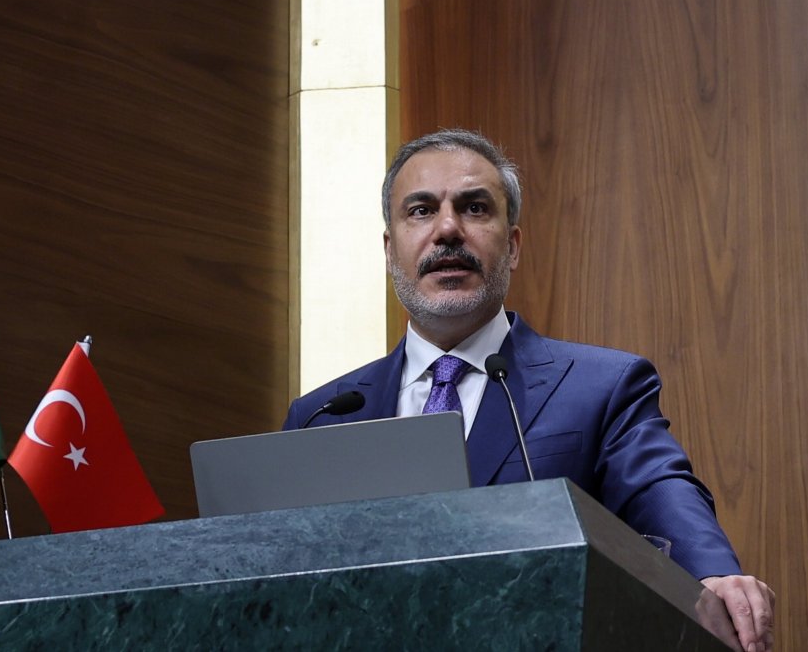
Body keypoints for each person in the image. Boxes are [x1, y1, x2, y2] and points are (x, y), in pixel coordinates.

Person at [286, 128, 775, 651]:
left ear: (513, 245)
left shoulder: (601, 388)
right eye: (421, 210)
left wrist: (713, 573)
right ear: (390, 249)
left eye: (474, 208)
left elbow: (660, 487)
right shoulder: (322, 417)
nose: (448, 229)